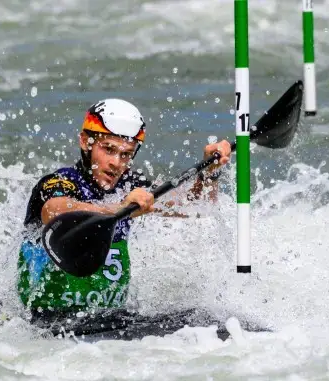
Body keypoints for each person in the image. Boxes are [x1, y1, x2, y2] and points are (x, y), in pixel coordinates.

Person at [18, 98, 232, 323]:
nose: (116, 163)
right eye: (108, 149)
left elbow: (197, 207)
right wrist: (119, 208)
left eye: (125, 154)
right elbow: (54, 210)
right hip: (43, 318)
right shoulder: (60, 182)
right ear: (85, 142)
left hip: (107, 318)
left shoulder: (130, 185)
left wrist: (209, 172)